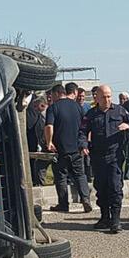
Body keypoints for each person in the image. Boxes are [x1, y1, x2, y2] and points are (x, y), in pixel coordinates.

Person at [78, 85, 129, 234]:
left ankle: (115, 220)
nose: (107, 99)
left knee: (115, 188)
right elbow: (82, 131)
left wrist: (127, 125)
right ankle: (105, 217)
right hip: (98, 156)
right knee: (101, 188)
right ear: (97, 97)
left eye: (109, 96)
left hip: (115, 156)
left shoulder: (119, 110)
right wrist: (83, 145)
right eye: (104, 97)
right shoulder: (91, 114)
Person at [45, 83, 92, 212]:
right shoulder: (78, 106)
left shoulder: (53, 108)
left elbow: (49, 126)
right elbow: (85, 126)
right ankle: (86, 199)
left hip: (60, 149)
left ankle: (63, 204)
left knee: (61, 176)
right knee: (80, 175)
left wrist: (49, 142)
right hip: (76, 147)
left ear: (56, 94)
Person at [26, 95, 47, 186]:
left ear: (42, 106)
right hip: (38, 142)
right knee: (39, 165)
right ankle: (38, 182)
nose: (35, 109)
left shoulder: (46, 115)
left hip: (47, 143)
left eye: (35, 107)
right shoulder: (39, 115)